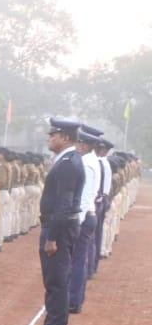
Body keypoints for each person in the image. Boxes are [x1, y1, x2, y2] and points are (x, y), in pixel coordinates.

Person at [25, 118, 85, 325]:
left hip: (59, 229)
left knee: (57, 284)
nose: (49, 138)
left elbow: (64, 204)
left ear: (66, 138)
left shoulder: (69, 162)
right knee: (53, 283)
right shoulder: (66, 160)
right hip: (58, 227)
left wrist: (52, 237)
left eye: (54, 135)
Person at [67, 128, 101, 313]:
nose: (77, 146)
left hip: (84, 216)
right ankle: (76, 298)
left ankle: (73, 300)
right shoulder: (90, 160)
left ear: (86, 145)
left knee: (77, 260)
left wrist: (76, 223)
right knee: (79, 259)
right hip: (89, 215)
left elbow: (85, 196)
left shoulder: (87, 164)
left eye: (79, 143)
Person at [91, 137, 113, 276]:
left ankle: (90, 266)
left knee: (92, 237)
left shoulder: (100, 163)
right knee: (96, 235)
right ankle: (92, 265)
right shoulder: (103, 163)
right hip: (101, 200)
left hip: (97, 201)